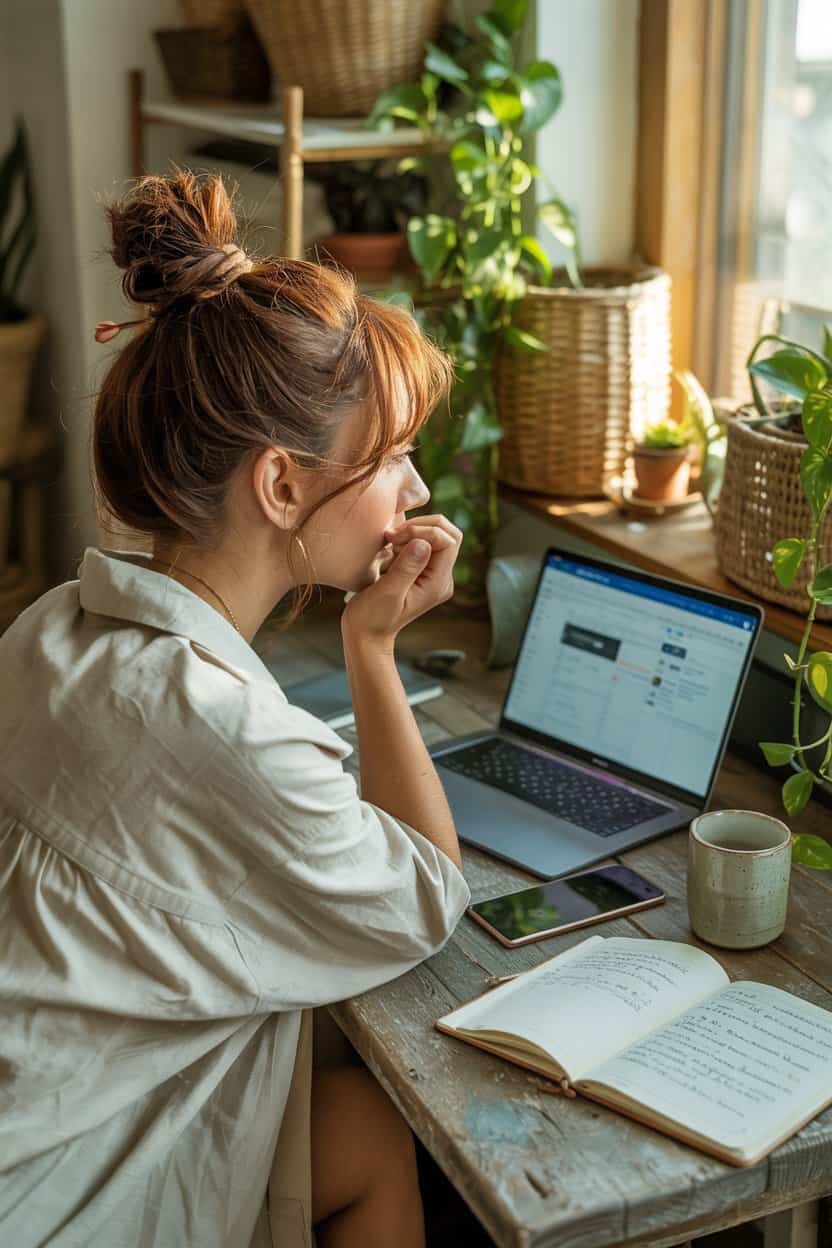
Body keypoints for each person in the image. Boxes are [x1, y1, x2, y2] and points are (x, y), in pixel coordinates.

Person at [0, 170, 471, 1248]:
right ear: (280, 486)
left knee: (364, 1130)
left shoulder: (54, 627)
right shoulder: (229, 736)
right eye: (392, 457)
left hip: (42, 1103)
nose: (416, 494)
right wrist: (372, 648)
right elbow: (423, 897)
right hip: (43, 1195)